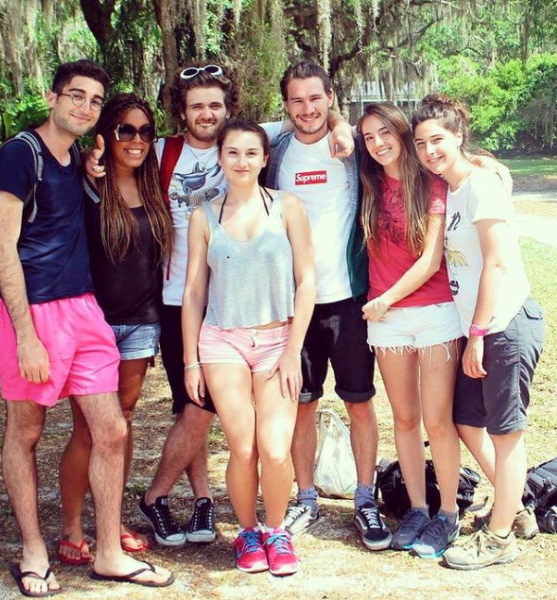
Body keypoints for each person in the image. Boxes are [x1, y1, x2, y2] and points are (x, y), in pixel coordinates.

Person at [86, 62, 352, 548]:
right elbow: (119, 156)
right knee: (196, 408)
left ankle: (198, 500)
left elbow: (313, 117)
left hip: (249, 305)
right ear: (182, 113)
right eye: (196, 106)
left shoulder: (251, 140)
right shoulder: (161, 149)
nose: (206, 114)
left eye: (215, 105)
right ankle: (172, 497)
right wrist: (91, 159)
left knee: (204, 412)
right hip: (175, 301)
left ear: (230, 111)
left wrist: (339, 124)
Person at [0, 60, 173, 596]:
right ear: (52, 97)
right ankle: (33, 550)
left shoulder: (75, 160)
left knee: (112, 429)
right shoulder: (19, 156)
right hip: (33, 312)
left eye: (94, 100)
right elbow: (4, 248)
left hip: (85, 310)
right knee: (26, 431)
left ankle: (109, 552)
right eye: (76, 95)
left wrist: (94, 163)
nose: (84, 106)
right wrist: (25, 334)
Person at [261, 61, 390, 551]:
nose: (307, 109)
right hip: (294, 306)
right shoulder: (275, 150)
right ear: (286, 104)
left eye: (316, 99)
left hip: (350, 298)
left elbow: (408, 143)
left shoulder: (355, 148)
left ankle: (364, 498)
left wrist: (342, 127)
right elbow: (242, 131)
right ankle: (307, 496)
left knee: (359, 402)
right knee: (302, 404)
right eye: (296, 100)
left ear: (331, 96)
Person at [412, 94, 544, 570]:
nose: (430, 151)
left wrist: (478, 332)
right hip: (484, 329)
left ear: (458, 136)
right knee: (467, 421)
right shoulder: (453, 189)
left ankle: (500, 536)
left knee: (507, 434)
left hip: (504, 324)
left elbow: (498, 262)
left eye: (438, 140)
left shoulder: (483, 186)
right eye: (422, 143)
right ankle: (518, 505)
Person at [182, 119, 316, 575]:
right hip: (222, 343)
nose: (241, 161)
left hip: (278, 340)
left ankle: (275, 531)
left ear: (264, 158)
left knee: (276, 450)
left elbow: (307, 280)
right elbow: (195, 293)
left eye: (250, 153)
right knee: (243, 448)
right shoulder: (204, 215)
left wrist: (293, 348)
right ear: (220, 157)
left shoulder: (287, 207)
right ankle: (246, 532)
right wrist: (190, 361)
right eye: (232, 153)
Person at [58, 93, 174, 561]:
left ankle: (111, 519)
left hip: (141, 325)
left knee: (120, 427)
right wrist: (87, 166)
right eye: (126, 130)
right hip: (92, 327)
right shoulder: (88, 185)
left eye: (146, 131)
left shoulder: (152, 187)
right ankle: (70, 527)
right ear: (106, 135)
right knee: (88, 431)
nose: (137, 140)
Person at [357, 102, 463, 558]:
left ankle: (448, 514)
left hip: (433, 311)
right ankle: (418, 508)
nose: (378, 143)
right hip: (388, 323)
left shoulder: (432, 183)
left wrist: (385, 298)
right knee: (403, 417)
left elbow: (431, 259)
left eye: (386, 133)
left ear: (401, 133)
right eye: (368, 137)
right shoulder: (366, 182)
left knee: (438, 420)